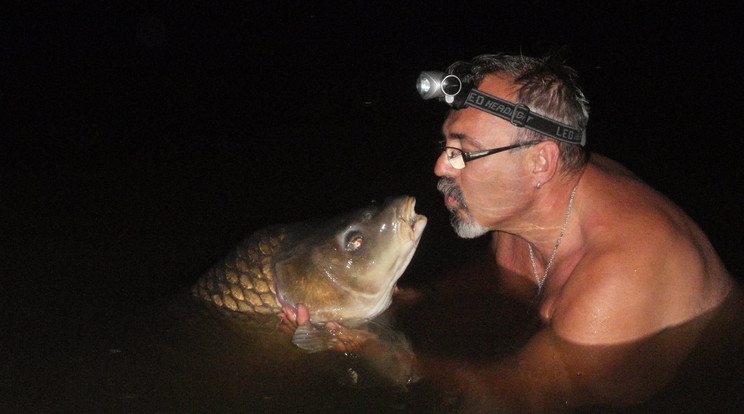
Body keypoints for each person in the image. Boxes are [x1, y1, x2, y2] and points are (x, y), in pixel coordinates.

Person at [280, 53, 739, 410]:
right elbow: (493, 284)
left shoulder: (621, 275)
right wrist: (413, 301)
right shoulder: (524, 202)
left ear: (540, 161)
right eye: (446, 144)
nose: (442, 165)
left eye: (465, 152)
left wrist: (383, 353)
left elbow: (519, 395)